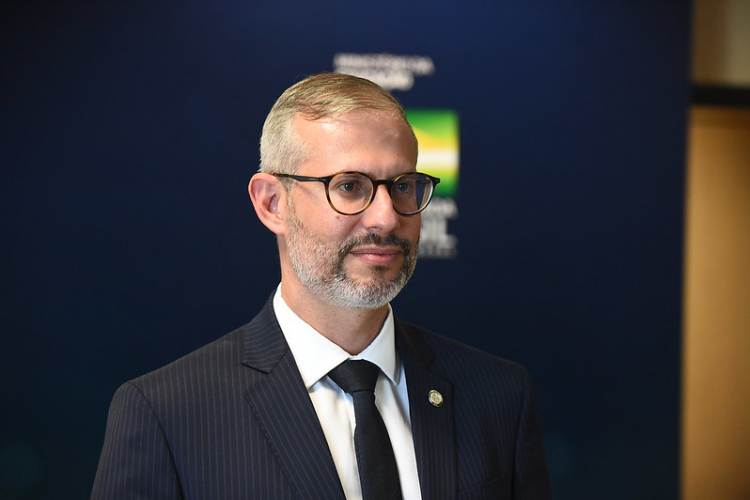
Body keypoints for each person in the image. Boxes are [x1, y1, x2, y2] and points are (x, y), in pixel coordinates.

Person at [91, 73, 552, 499]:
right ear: (273, 203)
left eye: (402, 185)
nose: (386, 217)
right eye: (349, 186)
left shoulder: (498, 395)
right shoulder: (166, 414)